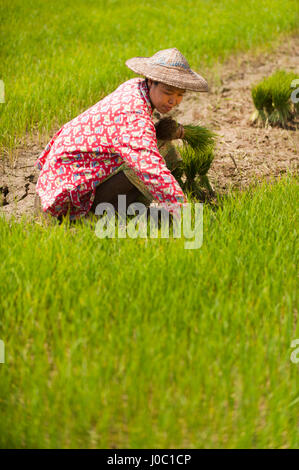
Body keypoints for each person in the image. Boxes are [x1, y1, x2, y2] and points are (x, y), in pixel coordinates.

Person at [34, 48, 208, 224]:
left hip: (57, 178)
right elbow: (150, 168)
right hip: (67, 196)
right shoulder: (134, 115)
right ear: (151, 82)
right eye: (168, 92)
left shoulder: (134, 86)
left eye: (180, 95)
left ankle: (122, 209)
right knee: (161, 152)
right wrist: (185, 213)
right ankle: (96, 215)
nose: (174, 101)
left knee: (151, 150)